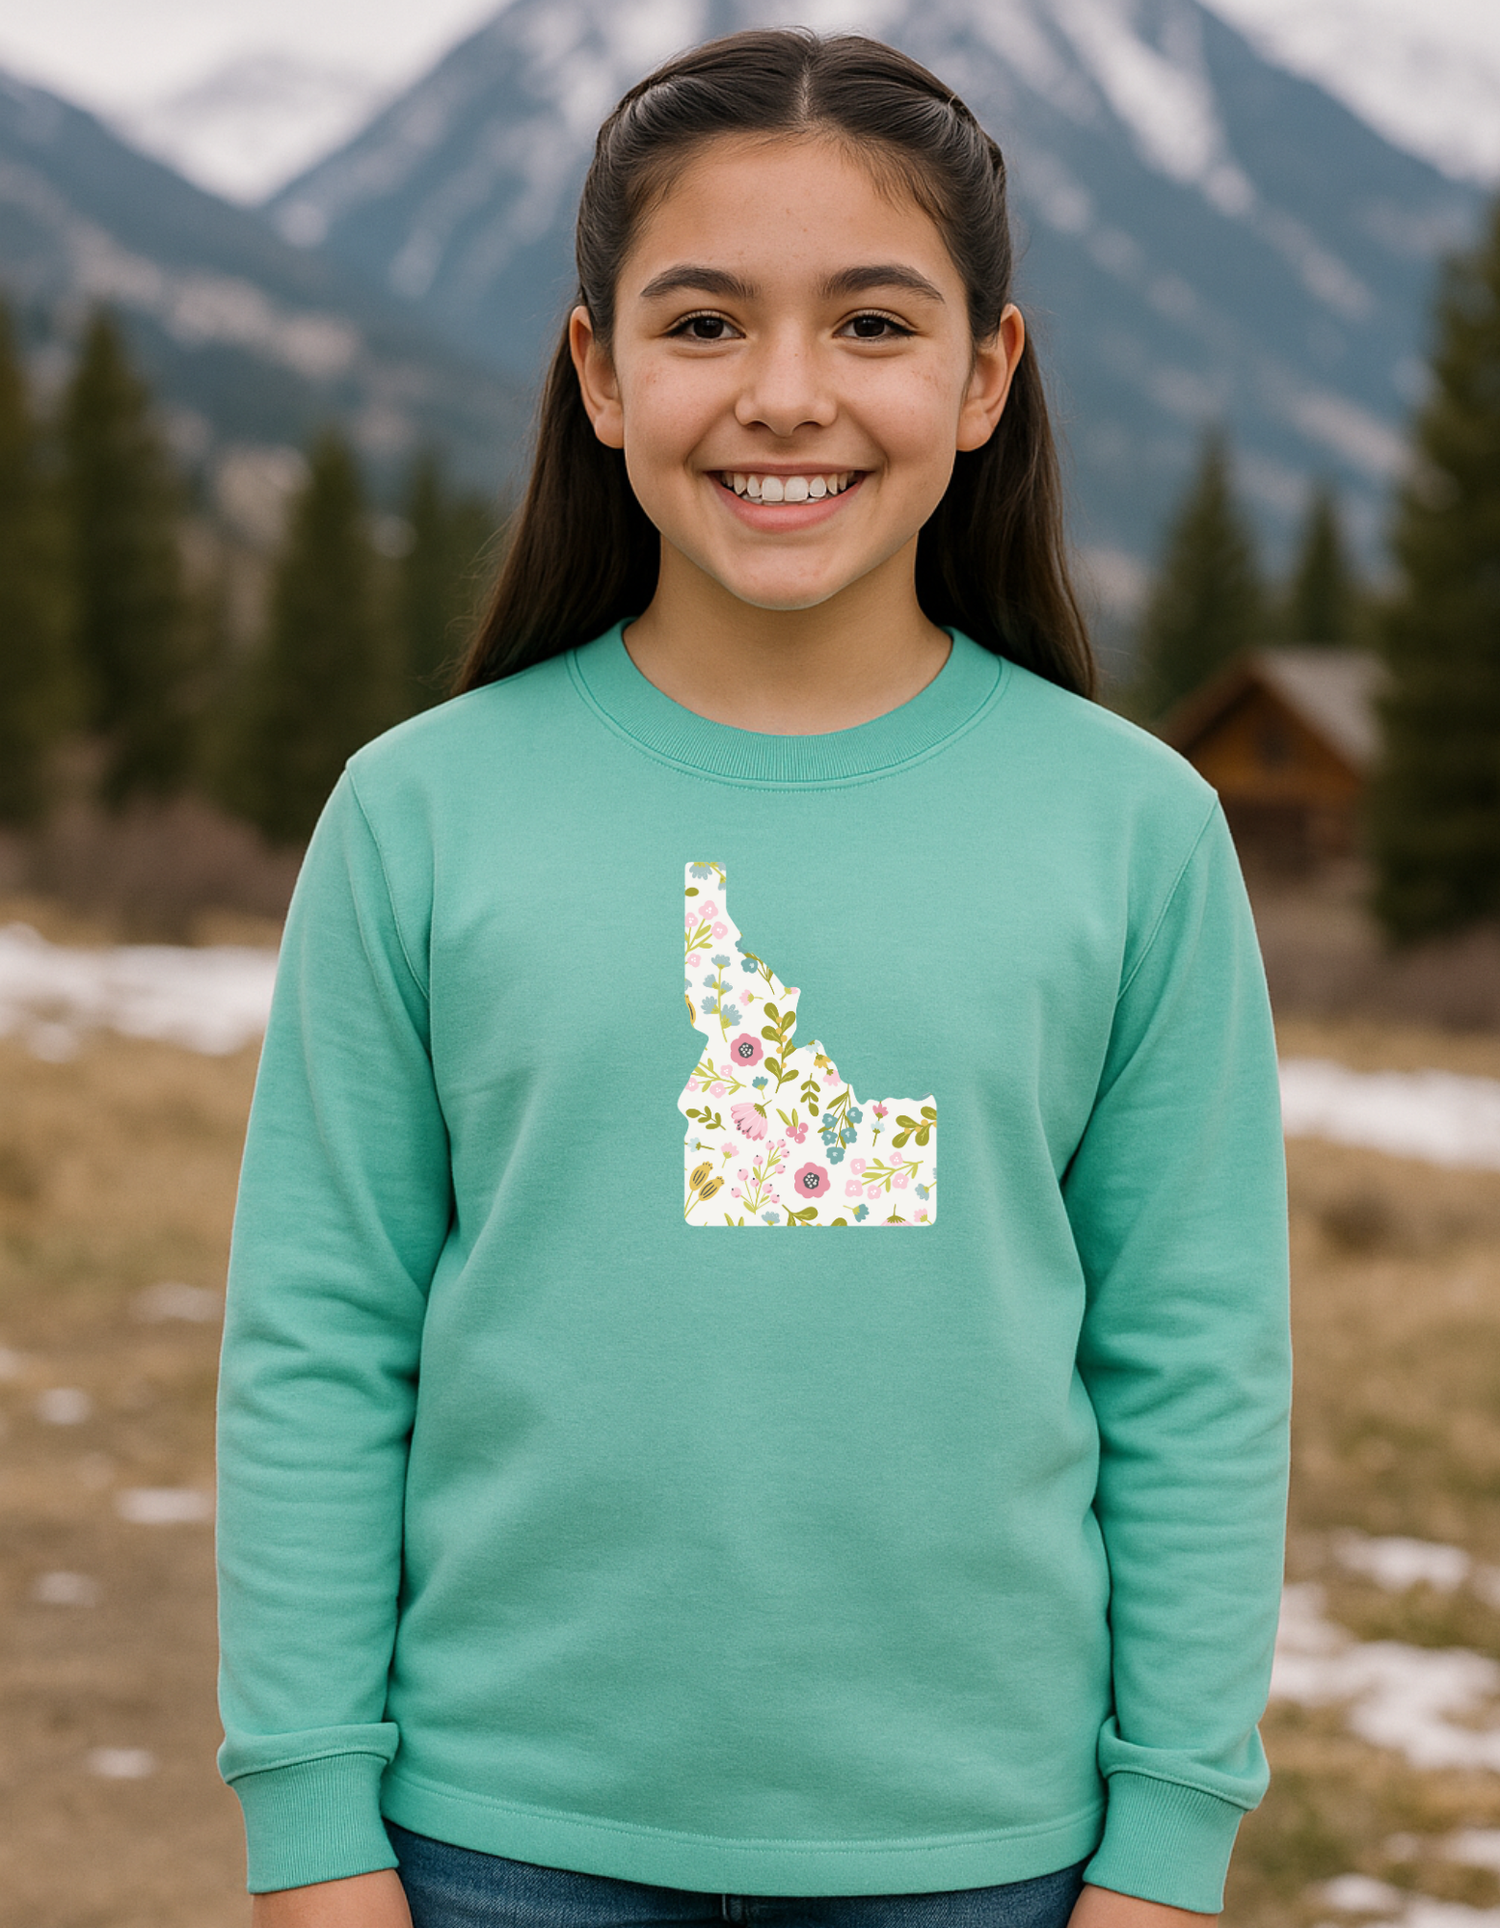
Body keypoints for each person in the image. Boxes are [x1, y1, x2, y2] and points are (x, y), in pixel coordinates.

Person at [216, 29, 1291, 1928]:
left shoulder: (1134, 833)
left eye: (874, 325)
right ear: (597, 372)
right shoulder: (421, 815)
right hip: (496, 1844)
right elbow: (318, 1350)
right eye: (702, 323)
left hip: (989, 1865)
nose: (785, 396)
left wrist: (1169, 1846)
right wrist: (314, 1832)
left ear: (986, 376)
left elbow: (1195, 1371)